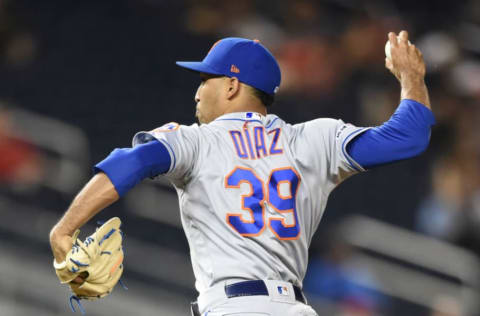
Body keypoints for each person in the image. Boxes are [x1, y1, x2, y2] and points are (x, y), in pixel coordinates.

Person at [49, 31, 434, 316]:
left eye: (205, 80)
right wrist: (411, 77)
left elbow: (130, 162)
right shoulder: (315, 139)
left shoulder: (196, 141)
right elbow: (408, 137)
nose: (197, 93)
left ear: (232, 85)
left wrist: (65, 229)